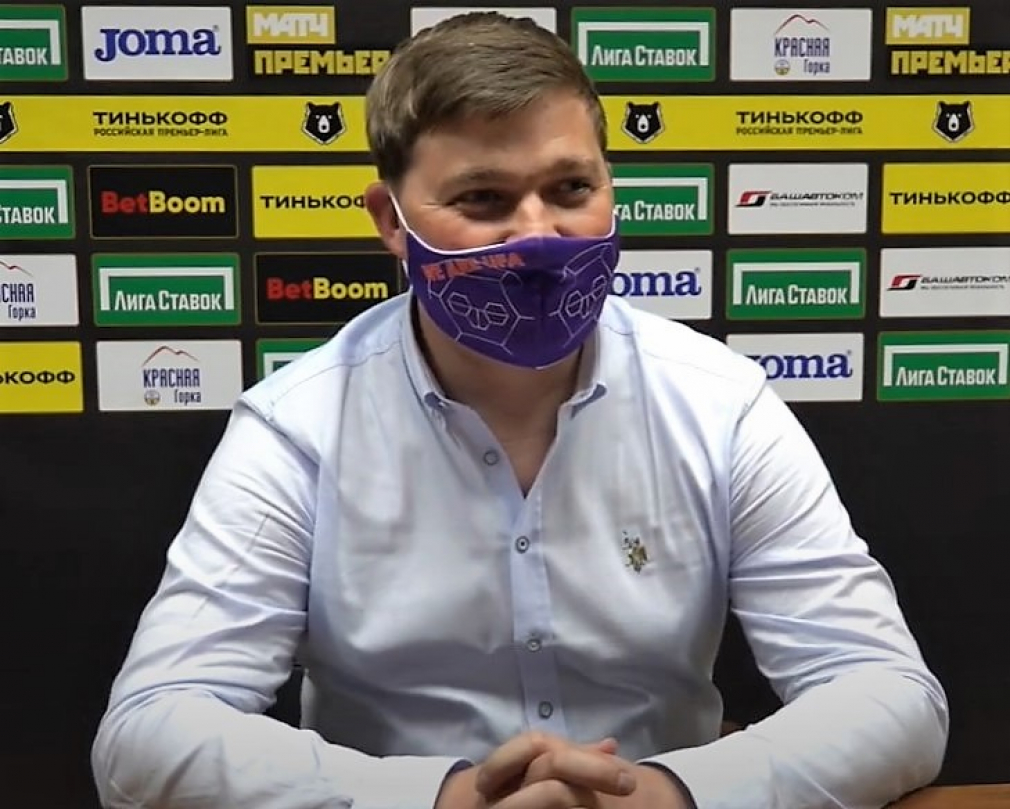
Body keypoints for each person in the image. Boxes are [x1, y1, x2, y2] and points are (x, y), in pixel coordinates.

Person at [92, 12, 948, 809]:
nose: (537, 235)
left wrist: (672, 792)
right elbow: (149, 730)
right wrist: (437, 798)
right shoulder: (300, 427)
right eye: (484, 199)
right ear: (392, 220)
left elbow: (889, 693)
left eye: (571, 187)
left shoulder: (719, 404)